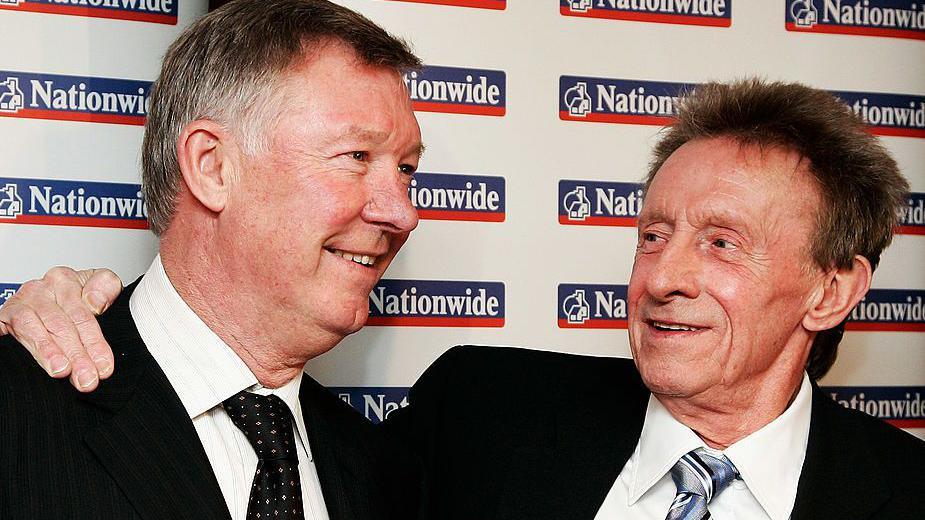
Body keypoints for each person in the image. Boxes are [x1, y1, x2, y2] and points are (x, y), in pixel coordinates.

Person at [5, 80, 925, 519]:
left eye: (719, 243)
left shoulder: (900, 494)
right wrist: (81, 309)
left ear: (831, 287)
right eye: (651, 233)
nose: (662, 275)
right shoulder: (480, 414)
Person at [0, 1, 424, 519]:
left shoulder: (382, 469)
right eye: (357, 158)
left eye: (406, 170)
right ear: (212, 167)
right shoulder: (18, 414)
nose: (403, 213)